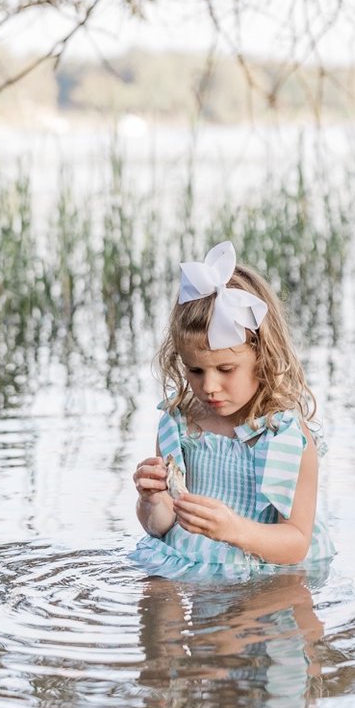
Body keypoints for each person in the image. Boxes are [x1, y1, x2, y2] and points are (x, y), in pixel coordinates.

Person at [131, 240, 335, 577]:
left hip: (261, 568)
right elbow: (160, 527)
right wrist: (151, 500)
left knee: (250, 618)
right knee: (155, 598)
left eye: (226, 370)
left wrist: (232, 530)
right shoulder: (179, 424)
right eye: (195, 371)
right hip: (187, 561)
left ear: (263, 358)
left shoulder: (284, 435)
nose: (209, 387)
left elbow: (296, 541)